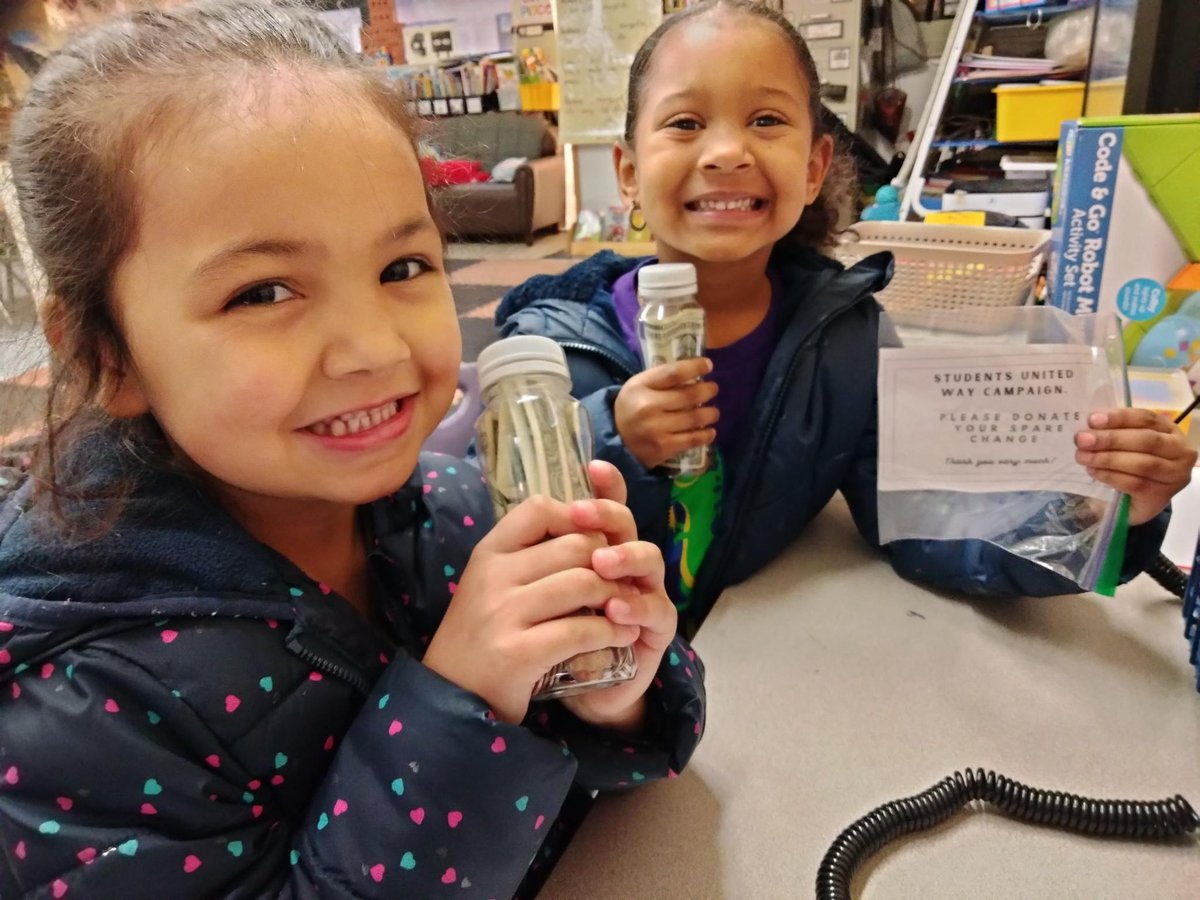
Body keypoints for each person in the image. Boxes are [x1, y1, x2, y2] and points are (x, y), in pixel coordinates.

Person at [0, 3, 705, 897]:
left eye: (403, 268)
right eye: (263, 291)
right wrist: (465, 708)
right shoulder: (79, 703)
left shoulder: (457, 507)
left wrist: (612, 691)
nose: (374, 348)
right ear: (108, 353)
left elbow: (601, 780)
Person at [497, 0, 1196, 635]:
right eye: (685, 122)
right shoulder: (551, 349)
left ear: (812, 165)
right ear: (627, 174)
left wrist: (1106, 510)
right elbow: (475, 517)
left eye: (766, 120)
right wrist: (611, 435)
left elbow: (922, 519)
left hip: (756, 659)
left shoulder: (848, 343)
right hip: (591, 684)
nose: (727, 151)